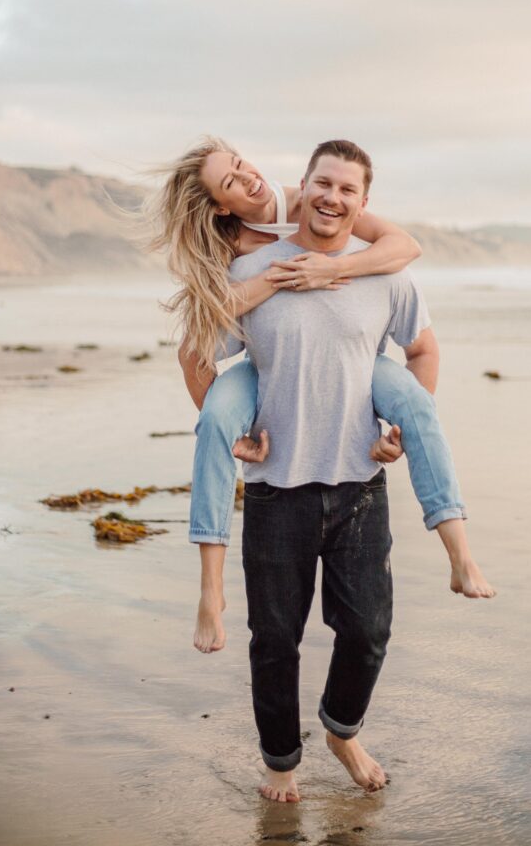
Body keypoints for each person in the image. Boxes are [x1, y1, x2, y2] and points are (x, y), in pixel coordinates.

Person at [145, 136, 494, 656]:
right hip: (262, 365)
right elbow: (199, 339)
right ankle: (210, 591)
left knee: (418, 405)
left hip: (356, 364)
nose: (248, 178)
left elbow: (403, 246)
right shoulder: (227, 244)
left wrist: (332, 268)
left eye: (240, 164)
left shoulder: (301, 197)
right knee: (215, 421)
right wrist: (277, 278)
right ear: (219, 206)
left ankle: (460, 554)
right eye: (230, 182)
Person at [220, 140, 493, 802]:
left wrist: (399, 428)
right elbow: (199, 352)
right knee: (274, 641)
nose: (332, 197)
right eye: (323, 183)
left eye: (347, 189)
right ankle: (280, 764)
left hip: (359, 486)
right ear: (302, 186)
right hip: (275, 491)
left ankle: (341, 732)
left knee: (368, 631)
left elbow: (423, 350)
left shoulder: (387, 277)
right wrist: (232, 437)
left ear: (363, 202)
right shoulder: (252, 271)